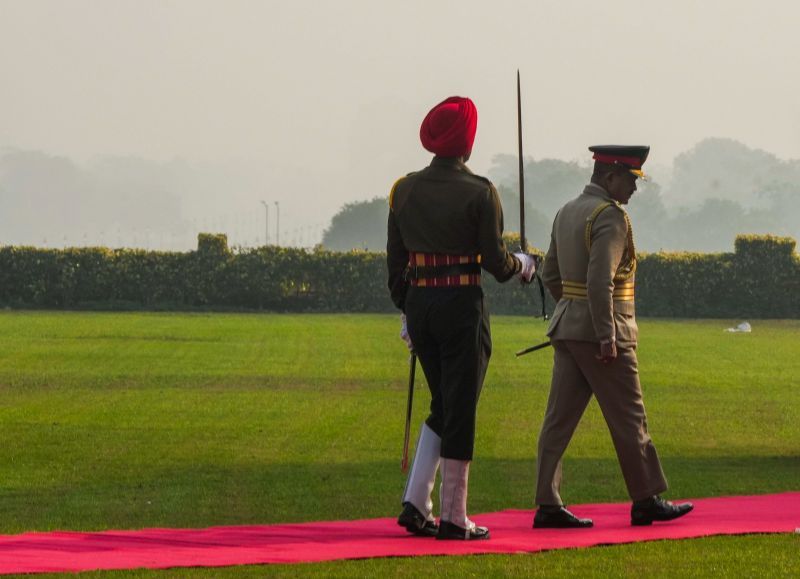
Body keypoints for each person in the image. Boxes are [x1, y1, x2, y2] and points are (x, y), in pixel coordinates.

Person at [387, 96, 535, 541]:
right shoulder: (480, 192)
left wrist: (407, 311)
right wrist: (522, 266)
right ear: (467, 143)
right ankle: (454, 516)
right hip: (460, 307)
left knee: (444, 404)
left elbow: (396, 262)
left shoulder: (404, 190)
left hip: (421, 306)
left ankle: (415, 503)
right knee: (461, 407)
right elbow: (494, 261)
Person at [533, 145, 694, 528]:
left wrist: (572, 313)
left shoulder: (566, 211)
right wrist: (605, 333)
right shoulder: (611, 217)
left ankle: (548, 503)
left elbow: (550, 275)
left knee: (558, 421)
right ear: (610, 176)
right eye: (630, 180)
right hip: (607, 334)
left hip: (569, 329)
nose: (634, 190)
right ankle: (646, 498)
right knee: (630, 418)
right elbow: (600, 279)